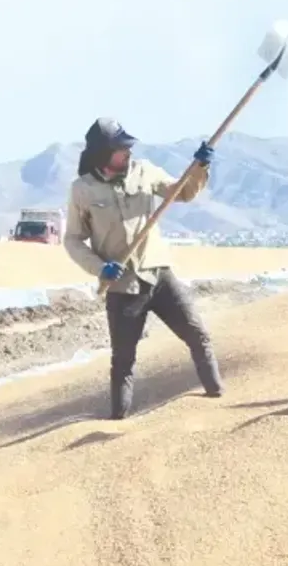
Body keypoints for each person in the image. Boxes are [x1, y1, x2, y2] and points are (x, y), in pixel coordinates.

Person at [63, 117, 224, 420]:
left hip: (158, 274)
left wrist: (200, 167)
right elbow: (72, 240)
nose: (128, 153)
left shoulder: (145, 171)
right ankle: (117, 421)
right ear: (103, 153)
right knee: (123, 360)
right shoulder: (82, 190)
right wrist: (99, 268)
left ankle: (217, 399)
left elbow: (182, 192)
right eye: (121, 148)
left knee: (197, 335)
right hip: (123, 286)